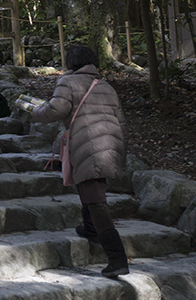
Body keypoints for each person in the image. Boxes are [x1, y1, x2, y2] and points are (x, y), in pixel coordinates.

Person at [29, 44, 129, 279]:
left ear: (70, 63)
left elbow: (55, 109)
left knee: (95, 200)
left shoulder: (67, 82)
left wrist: (34, 111)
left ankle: (117, 259)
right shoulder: (105, 86)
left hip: (89, 142)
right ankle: (91, 230)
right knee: (89, 186)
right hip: (110, 143)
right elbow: (122, 121)